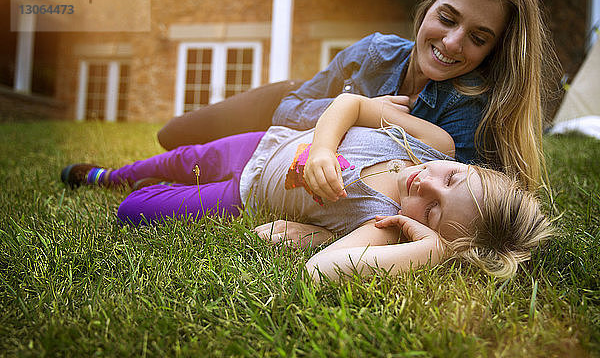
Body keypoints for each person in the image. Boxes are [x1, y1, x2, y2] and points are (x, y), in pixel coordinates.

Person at [156, 0, 560, 192]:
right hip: (287, 104)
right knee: (172, 136)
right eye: (447, 18)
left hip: (289, 145)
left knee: (198, 168)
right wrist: (357, 110)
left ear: (493, 50)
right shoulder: (374, 51)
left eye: (477, 37)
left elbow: (446, 204)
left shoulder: (467, 112)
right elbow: (290, 106)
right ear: (429, 3)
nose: (453, 43)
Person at [61, 93, 551, 281]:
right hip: (265, 145)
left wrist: (432, 251)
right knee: (179, 159)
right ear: (475, 168)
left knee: (136, 210)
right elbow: (351, 104)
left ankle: (135, 186)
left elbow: (324, 271)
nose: (425, 185)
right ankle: (106, 174)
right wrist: (320, 149)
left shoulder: (386, 229)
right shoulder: (435, 143)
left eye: (433, 211)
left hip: (248, 196)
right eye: (450, 178)